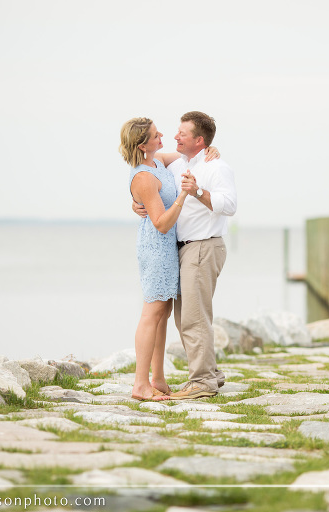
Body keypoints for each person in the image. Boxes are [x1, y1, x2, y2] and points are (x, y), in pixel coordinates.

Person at [134, 111, 237, 400]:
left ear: (199, 140)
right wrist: (136, 201)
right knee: (187, 317)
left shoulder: (216, 166)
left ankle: (202, 381)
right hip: (184, 249)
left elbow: (229, 206)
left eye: (183, 133)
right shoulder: (179, 162)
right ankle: (211, 375)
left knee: (192, 318)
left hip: (203, 246)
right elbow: (146, 172)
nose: (176, 136)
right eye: (176, 132)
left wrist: (198, 191)